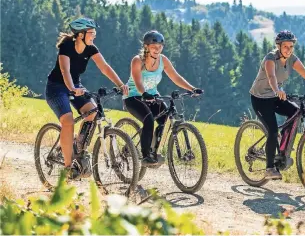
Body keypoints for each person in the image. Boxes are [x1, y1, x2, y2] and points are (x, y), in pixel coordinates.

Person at [45, 17, 129, 179]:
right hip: (57, 88)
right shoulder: (67, 46)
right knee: (68, 121)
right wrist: (72, 89)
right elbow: (65, 71)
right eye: (91, 33)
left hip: (76, 87)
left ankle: (77, 146)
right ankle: (68, 168)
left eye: (94, 33)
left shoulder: (90, 48)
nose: (94, 36)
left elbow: (104, 67)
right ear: (81, 34)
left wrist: (120, 84)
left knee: (92, 112)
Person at [249, 30, 305, 180]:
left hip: (275, 97)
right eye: (285, 46)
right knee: (273, 131)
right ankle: (269, 168)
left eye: (291, 46)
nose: (289, 49)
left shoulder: (292, 59)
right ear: (279, 46)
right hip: (260, 99)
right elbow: (271, 76)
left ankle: (283, 147)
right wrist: (277, 90)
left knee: (295, 111)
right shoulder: (270, 58)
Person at [123, 30, 203, 167]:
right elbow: (138, 82)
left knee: (164, 119)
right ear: (146, 47)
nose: (157, 49)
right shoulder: (138, 60)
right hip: (134, 96)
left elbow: (176, 77)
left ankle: (154, 150)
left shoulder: (163, 60)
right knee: (148, 119)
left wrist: (192, 89)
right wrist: (144, 93)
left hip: (152, 96)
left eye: (160, 47)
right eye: (154, 47)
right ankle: (146, 155)